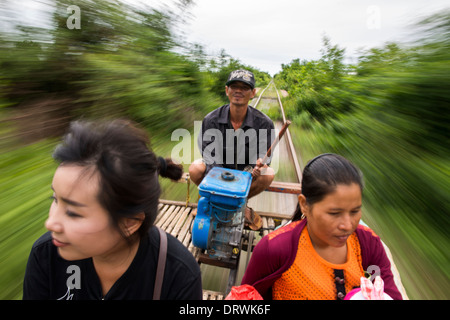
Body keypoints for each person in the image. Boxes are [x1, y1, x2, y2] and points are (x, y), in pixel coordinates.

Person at [23, 119, 203, 300]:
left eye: (73, 213)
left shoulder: (179, 276)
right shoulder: (46, 255)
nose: (50, 223)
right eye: (55, 199)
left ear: (129, 222)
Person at [241, 153, 403, 300]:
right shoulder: (274, 249)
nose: (347, 225)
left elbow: (389, 293)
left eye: (355, 211)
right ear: (304, 205)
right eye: (334, 213)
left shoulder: (369, 244)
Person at [189, 69, 275, 229]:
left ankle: (239, 205)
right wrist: (225, 182)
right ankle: (217, 203)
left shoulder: (264, 123)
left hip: (246, 174)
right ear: (227, 90)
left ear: (253, 93)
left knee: (268, 173)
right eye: (234, 86)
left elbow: (264, 158)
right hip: (216, 171)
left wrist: (258, 167)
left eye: (244, 87)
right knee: (195, 168)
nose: (238, 91)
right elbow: (209, 157)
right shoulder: (211, 119)